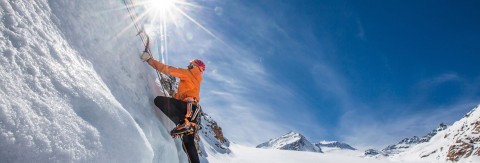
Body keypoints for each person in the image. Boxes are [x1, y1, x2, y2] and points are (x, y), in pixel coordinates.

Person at [141, 52, 205, 163]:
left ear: (195, 67)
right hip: (194, 113)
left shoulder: (189, 73)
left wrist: (150, 61)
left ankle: (183, 124)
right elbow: (186, 94)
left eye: (190, 65)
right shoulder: (196, 80)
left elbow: (169, 70)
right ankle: (186, 126)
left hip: (187, 110)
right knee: (188, 145)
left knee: (159, 101)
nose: (188, 66)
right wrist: (174, 95)